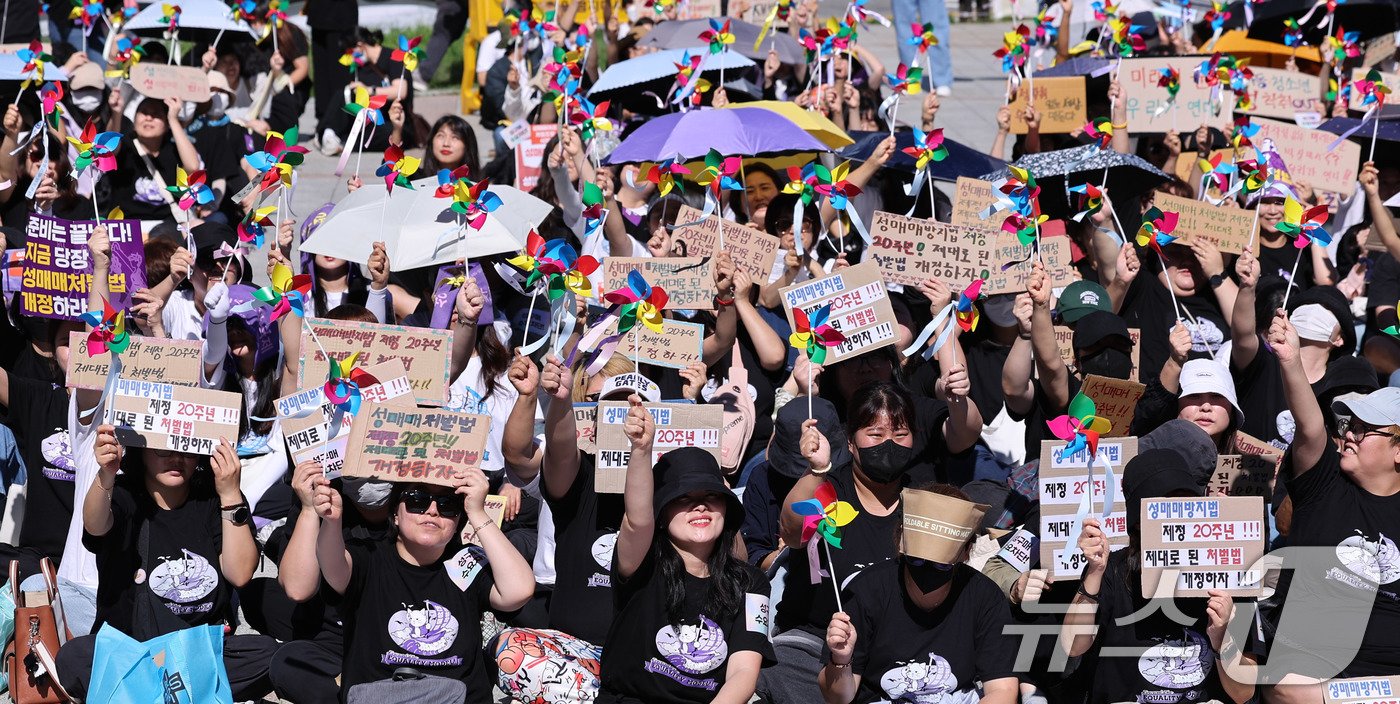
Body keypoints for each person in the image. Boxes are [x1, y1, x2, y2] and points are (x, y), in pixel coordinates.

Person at [55, 430, 278, 700]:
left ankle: (150, 693)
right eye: (163, 449)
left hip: (199, 652)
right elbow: (95, 525)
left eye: (186, 449)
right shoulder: (124, 494)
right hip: (135, 651)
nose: (176, 459)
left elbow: (240, 573)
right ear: (143, 450)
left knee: (268, 655)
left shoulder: (213, 497)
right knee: (75, 657)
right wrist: (105, 475)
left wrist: (230, 493)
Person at [597, 397, 774, 702]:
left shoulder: (752, 583)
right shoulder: (642, 562)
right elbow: (638, 521)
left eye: (711, 496)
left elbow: (744, 672)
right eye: (683, 498)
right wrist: (640, 451)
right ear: (662, 516)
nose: (700, 505)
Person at [1261, 310, 1400, 696]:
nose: (1350, 434)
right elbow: (1309, 427)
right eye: (1348, 424)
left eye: (1365, 427)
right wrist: (1290, 362)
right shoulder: (1324, 484)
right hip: (1312, 682)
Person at [311, 468, 535, 700]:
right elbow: (333, 566)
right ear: (395, 513)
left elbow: (518, 591)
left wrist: (478, 513)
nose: (432, 511)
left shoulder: (465, 562)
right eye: (417, 500)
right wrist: (331, 521)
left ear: (458, 522)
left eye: (448, 505)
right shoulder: (367, 557)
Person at [1059, 449, 1259, 704]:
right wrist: (1095, 572)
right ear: (1139, 522)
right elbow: (1073, 646)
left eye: (1186, 505)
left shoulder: (1229, 575)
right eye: (1164, 508)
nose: (1177, 519)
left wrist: (1222, 640)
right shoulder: (1112, 570)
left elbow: (1244, 694)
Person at [819, 485, 1019, 704]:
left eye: (942, 565)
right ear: (901, 542)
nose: (928, 570)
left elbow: (1003, 691)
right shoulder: (867, 590)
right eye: (916, 560)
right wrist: (841, 660)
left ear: (966, 551)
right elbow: (838, 698)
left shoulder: (984, 597)